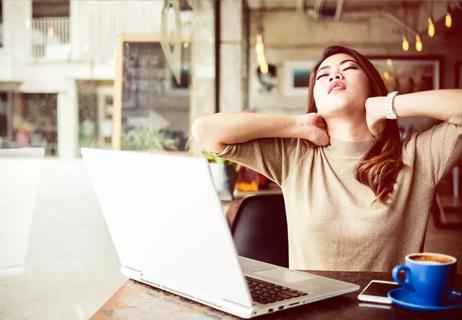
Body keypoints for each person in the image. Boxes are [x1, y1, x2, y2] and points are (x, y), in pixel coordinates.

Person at [192, 45, 462, 272]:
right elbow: (206, 130)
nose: (335, 75)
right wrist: (297, 126)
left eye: (349, 68)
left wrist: (388, 105)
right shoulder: (296, 156)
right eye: (323, 75)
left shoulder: (416, 158)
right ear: (315, 98)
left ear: (372, 85)